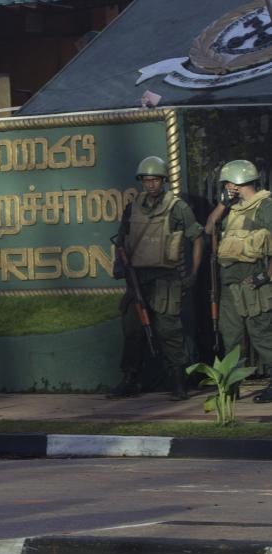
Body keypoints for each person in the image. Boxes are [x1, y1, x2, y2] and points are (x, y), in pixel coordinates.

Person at [109, 156, 203, 401]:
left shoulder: (177, 207)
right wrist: (120, 266)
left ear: (163, 180)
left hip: (165, 278)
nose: (150, 185)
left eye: (155, 180)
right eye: (146, 180)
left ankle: (178, 382)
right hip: (137, 279)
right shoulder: (133, 207)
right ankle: (130, 379)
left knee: (168, 330)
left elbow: (198, 238)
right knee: (132, 330)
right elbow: (121, 241)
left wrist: (192, 273)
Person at [213, 160, 272, 403]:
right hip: (230, 283)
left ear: (236, 182)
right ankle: (231, 386)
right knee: (231, 335)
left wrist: (266, 276)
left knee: (262, 334)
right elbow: (209, 228)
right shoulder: (233, 209)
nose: (225, 187)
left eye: (227, 183)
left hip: (253, 281)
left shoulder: (265, 206)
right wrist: (222, 204)